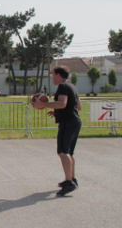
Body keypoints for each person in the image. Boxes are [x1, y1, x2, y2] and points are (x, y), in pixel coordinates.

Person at [32, 66, 82, 197]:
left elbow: (62, 103)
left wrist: (43, 104)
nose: (52, 77)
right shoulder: (73, 87)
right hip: (75, 122)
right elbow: (78, 106)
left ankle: (69, 182)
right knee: (69, 152)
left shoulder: (63, 87)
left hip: (68, 122)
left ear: (59, 75)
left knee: (62, 152)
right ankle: (72, 178)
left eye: (53, 74)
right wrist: (57, 112)